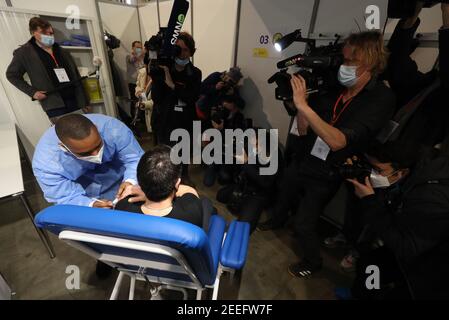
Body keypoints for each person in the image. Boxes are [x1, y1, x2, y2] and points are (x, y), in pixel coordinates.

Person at [258, 31, 396, 278]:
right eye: (342, 60)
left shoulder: (380, 98)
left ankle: (312, 261)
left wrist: (303, 106)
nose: (343, 67)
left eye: (350, 62)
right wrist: (299, 103)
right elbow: (303, 128)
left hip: (329, 169)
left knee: (304, 223)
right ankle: (277, 220)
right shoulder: (334, 85)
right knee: (285, 189)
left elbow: (337, 141)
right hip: (305, 156)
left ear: (370, 62)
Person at [346, 140, 449, 299]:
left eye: (379, 170)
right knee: (369, 265)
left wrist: (370, 202)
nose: (374, 175)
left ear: (401, 172)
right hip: (416, 244)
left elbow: (406, 248)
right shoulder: (420, 166)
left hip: (431, 268)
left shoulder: (429, 198)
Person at [32, 114, 144, 208]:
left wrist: (130, 180)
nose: (96, 155)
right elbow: (64, 196)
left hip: (119, 179)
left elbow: (135, 159)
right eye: (85, 153)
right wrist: (89, 204)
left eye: (98, 145)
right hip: (84, 191)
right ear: (63, 147)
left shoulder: (114, 129)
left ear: (97, 128)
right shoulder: (47, 164)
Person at [383, 2, 449, 147]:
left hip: (409, 161)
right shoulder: (428, 85)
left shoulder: (442, 93)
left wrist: (446, 15)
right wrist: (411, 16)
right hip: (383, 149)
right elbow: (396, 66)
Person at [6, 17, 90, 122]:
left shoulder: (62, 51)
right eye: (44, 33)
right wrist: (33, 92)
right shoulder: (23, 53)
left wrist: (84, 101)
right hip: (54, 104)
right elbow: (12, 75)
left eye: (51, 33)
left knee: (83, 129)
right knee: (64, 134)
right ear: (33, 33)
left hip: (75, 100)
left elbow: (75, 75)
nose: (49, 36)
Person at [115, 145, 206, 228]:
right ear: (177, 183)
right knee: (207, 203)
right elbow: (189, 190)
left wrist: (150, 189)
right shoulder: (191, 211)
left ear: (140, 182)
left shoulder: (123, 206)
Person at [216, 130, 283, 233]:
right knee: (220, 196)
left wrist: (246, 163)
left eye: (257, 144)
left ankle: (250, 209)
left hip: (259, 194)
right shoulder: (250, 148)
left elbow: (265, 182)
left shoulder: (274, 157)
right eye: (253, 143)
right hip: (245, 186)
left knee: (243, 227)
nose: (254, 147)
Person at [151, 32, 202, 147]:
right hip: (165, 123)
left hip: (185, 124)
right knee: (165, 160)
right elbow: (156, 98)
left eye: (186, 50)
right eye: (179, 49)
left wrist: (173, 86)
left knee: (183, 161)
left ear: (191, 52)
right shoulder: (164, 69)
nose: (182, 54)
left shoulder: (195, 73)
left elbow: (192, 97)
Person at [126, 41, 145, 126]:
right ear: (133, 48)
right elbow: (133, 59)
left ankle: (141, 118)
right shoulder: (129, 56)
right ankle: (134, 119)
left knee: (142, 99)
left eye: (140, 47)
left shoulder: (142, 57)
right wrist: (141, 54)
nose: (139, 49)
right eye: (137, 47)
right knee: (134, 100)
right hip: (133, 83)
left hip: (141, 82)